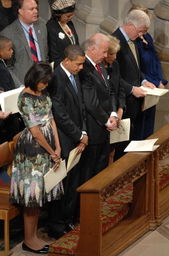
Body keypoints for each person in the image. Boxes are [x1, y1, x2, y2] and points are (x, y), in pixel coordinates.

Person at [10, 62, 63, 254]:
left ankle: (33, 236)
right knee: (32, 197)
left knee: (40, 196)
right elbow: (35, 131)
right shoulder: (25, 98)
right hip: (32, 151)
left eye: (47, 83)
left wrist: (58, 146)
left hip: (47, 146)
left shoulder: (44, 93)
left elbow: (51, 119)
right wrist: (51, 151)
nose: (45, 85)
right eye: (43, 82)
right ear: (34, 78)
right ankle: (28, 240)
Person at [47, 45, 87, 239]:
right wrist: (79, 135)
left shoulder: (75, 75)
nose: (81, 68)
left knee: (73, 183)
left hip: (77, 137)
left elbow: (81, 106)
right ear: (67, 60)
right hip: (64, 139)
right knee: (61, 185)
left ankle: (68, 219)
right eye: (78, 64)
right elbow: (59, 113)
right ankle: (56, 225)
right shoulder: (56, 78)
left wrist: (84, 131)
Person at [112, 9, 155, 159]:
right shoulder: (114, 41)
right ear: (130, 25)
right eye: (140, 31)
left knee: (129, 146)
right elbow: (113, 77)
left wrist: (143, 80)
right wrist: (131, 89)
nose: (141, 35)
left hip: (134, 103)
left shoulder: (133, 40)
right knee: (119, 149)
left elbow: (136, 68)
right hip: (122, 103)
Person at [79, 33, 117, 183]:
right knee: (90, 174)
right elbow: (90, 103)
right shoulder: (84, 69)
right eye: (104, 51)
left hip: (105, 129)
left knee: (101, 171)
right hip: (93, 130)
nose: (106, 55)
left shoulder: (100, 65)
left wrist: (113, 113)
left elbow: (111, 91)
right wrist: (107, 121)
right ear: (92, 49)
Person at [129, 5, 168, 138]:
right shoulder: (134, 42)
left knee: (149, 123)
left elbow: (155, 60)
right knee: (140, 124)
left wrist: (160, 80)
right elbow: (138, 67)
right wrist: (148, 81)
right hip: (143, 85)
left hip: (154, 86)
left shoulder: (148, 38)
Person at [0, 0, 48, 87]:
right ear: (20, 11)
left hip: (44, 81)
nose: (36, 11)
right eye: (31, 9)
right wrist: (20, 86)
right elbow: (7, 67)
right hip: (24, 84)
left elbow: (46, 54)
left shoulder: (42, 25)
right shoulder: (8, 34)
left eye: (36, 8)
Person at [0, 35, 24, 143]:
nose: (12, 51)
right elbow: (7, 90)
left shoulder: (3, 64)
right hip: (7, 119)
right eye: (9, 49)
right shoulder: (2, 70)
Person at [46, 0, 79, 68]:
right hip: (61, 67)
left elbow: (75, 42)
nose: (70, 18)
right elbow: (53, 54)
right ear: (58, 15)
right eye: (68, 16)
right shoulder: (51, 27)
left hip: (73, 64)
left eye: (72, 15)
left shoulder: (69, 23)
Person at [102, 35, 126, 120]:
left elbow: (120, 87)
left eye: (116, 53)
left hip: (116, 111)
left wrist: (121, 108)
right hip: (102, 114)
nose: (115, 57)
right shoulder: (97, 68)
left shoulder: (115, 64)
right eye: (111, 54)